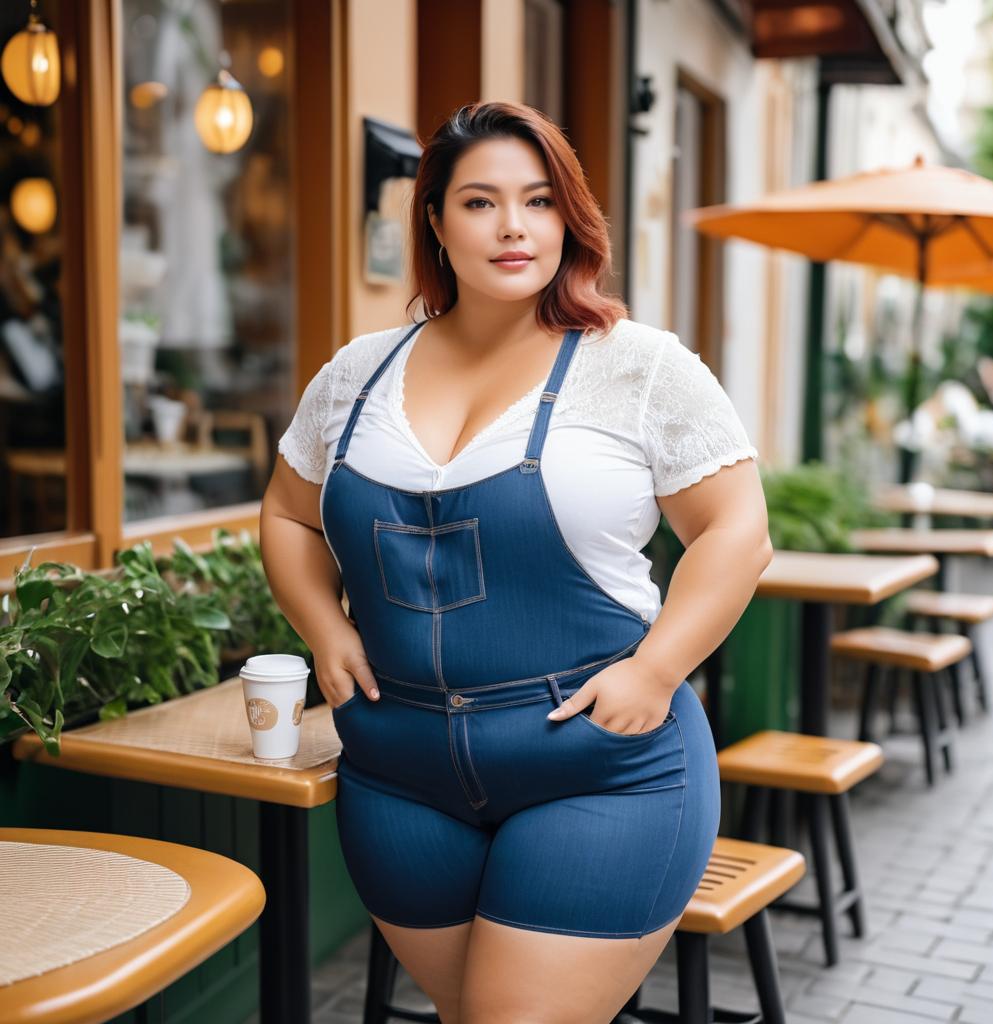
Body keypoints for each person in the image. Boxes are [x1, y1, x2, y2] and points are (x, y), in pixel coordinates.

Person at [260, 101, 772, 1024]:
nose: (512, 228)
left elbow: (737, 530)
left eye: (538, 201)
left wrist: (657, 669)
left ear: (568, 218)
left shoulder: (639, 367)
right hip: (397, 775)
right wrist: (323, 628)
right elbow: (288, 514)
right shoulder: (356, 372)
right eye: (481, 202)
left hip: (600, 767)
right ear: (435, 220)